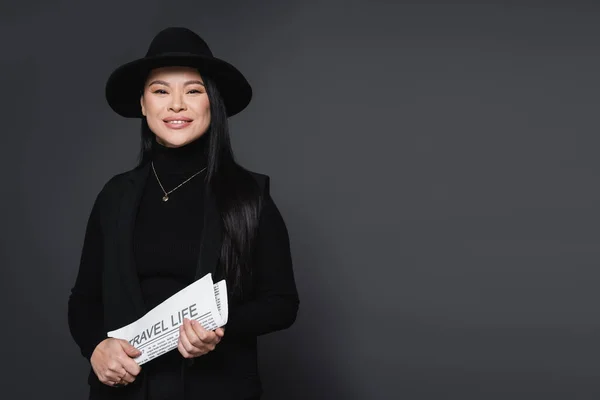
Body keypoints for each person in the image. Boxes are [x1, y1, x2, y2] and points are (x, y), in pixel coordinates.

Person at [67, 27, 300, 400]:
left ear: (213, 102)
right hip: (124, 392)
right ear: (143, 104)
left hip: (217, 388)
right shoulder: (114, 196)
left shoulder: (249, 196)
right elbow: (83, 299)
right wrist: (96, 347)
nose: (176, 105)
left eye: (193, 91)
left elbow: (282, 303)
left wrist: (218, 328)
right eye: (161, 91)